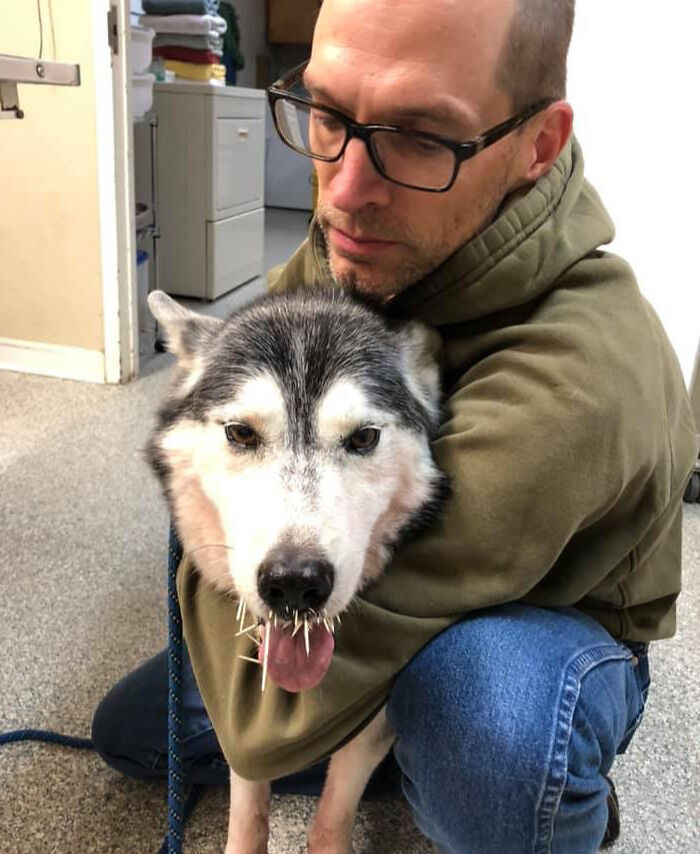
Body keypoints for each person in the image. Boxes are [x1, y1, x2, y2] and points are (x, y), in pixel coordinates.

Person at [92, 1, 698, 851]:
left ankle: (547, 796)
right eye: (330, 114)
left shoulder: (587, 372)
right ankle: (380, 741)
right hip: (366, 584)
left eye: (421, 135)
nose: (343, 190)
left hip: (546, 625)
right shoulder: (373, 230)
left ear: (538, 146)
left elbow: (337, 631)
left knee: (485, 719)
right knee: (131, 733)